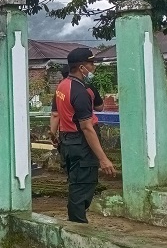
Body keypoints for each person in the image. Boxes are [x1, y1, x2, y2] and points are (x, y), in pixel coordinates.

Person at [50, 48, 116, 224]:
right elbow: (87, 127)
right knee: (83, 187)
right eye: (91, 63)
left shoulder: (62, 86)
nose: (93, 67)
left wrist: (54, 133)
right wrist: (103, 159)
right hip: (80, 144)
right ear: (81, 67)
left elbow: (56, 114)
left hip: (68, 141)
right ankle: (77, 226)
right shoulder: (80, 92)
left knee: (76, 184)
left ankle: (75, 222)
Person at [51, 65, 104, 172]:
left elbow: (55, 114)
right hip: (83, 134)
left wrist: (52, 135)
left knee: (72, 171)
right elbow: (100, 108)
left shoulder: (60, 89)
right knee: (85, 172)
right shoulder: (86, 89)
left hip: (65, 134)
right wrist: (104, 159)